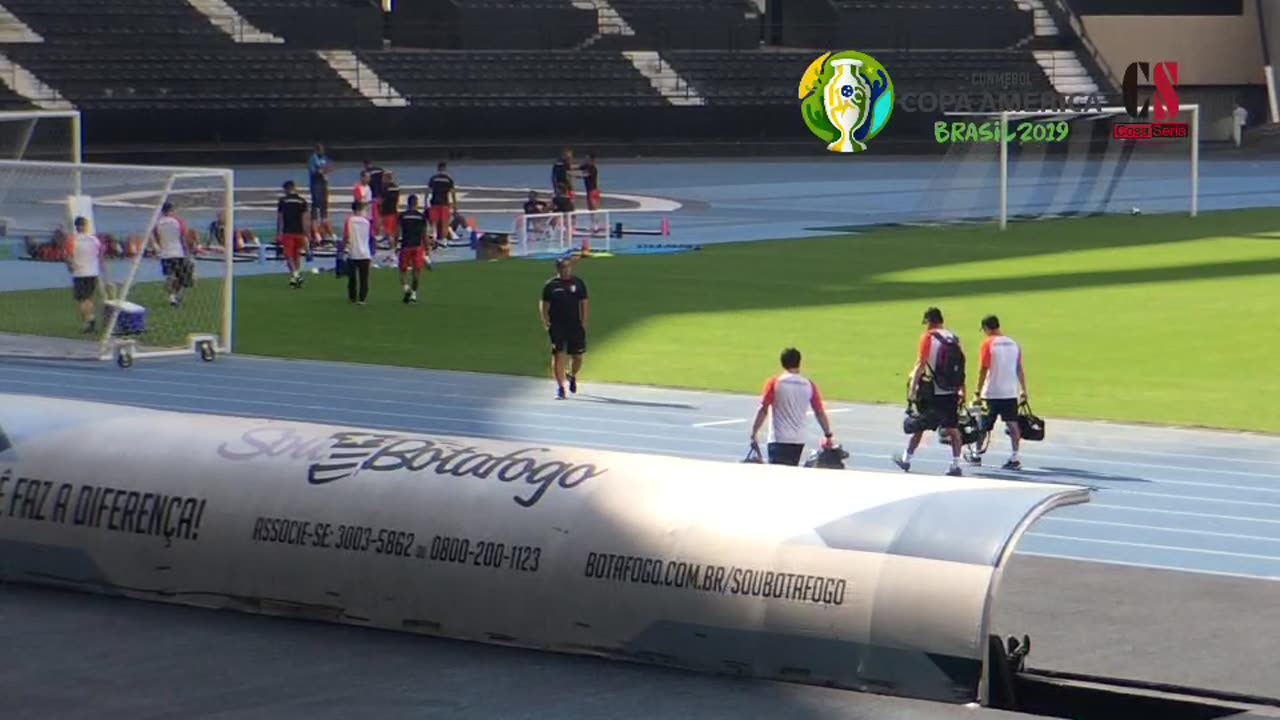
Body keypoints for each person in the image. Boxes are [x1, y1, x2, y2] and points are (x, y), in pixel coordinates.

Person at [894, 306, 967, 477]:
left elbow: (921, 364)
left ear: (929, 322)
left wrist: (912, 390)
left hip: (933, 390)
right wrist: (962, 390)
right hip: (951, 390)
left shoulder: (928, 337)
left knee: (920, 424)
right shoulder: (954, 338)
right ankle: (956, 464)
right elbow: (960, 367)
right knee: (953, 429)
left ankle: (907, 458)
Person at [749, 348, 836, 466]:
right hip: (798, 439)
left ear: (782, 363)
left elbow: (763, 409)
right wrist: (828, 435)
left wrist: (754, 432)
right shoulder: (808, 384)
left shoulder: (775, 383)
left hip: (778, 438)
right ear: (799, 362)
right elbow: (819, 412)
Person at [974, 315, 1027, 470]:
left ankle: (976, 454)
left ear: (986, 328)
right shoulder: (1014, 343)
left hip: (990, 392)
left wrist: (977, 390)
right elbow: (1019, 368)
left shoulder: (988, 343)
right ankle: (1015, 456)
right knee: (1012, 423)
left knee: (983, 425)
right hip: (1010, 391)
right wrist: (1023, 389)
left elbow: (983, 369)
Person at [539, 255, 588, 400]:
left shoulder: (578, 283)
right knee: (558, 354)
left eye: (568, 267)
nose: (566, 270)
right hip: (557, 325)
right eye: (563, 267)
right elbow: (544, 304)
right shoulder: (551, 285)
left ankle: (572, 375)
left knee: (577, 356)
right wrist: (546, 321)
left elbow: (584, 302)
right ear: (558, 269)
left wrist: (584, 321)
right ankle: (560, 386)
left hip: (575, 324)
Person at [63, 216, 108, 334]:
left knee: (82, 300)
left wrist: (70, 267)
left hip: (80, 273)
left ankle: (89, 322)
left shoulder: (72, 241)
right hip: (92, 272)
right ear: (85, 226)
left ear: (76, 227)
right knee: (88, 298)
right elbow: (101, 255)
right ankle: (90, 319)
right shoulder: (94, 240)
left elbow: (68, 257)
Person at [151, 201, 193, 307]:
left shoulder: (157, 223)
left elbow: (154, 238)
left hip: (165, 254)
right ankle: (177, 296)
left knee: (170, 276)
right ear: (172, 210)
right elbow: (184, 237)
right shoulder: (178, 221)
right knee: (182, 277)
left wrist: (157, 249)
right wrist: (188, 252)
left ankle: (172, 297)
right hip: (178, 252)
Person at [276, 180, 311, 288]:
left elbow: (280, 218)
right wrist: (306, 232)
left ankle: (295, 275)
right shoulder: (302, 201)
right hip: (299, 232)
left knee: (288, 255)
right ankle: (295, 277)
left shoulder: (283, 201)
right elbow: (305, 218)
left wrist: (279, 232)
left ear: (286, 189)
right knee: (297, 255)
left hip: (288, 231)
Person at [397, 194, 429, 304]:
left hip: (406, 245)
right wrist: (427, 248)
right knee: (416, 271)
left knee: (402, 270)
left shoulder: (402, 216)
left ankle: (406, 288)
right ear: (416, 203)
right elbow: (424, 234)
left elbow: (398, 231)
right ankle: (414, 295)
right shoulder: (421, 217)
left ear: (408, 203)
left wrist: (396, 244)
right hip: (417, 246)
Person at [343, 200, 373, 305]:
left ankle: (352, 297)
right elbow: (370, 237)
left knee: (352, 278)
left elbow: (346, 236)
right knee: (364, 278)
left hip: (353, 252)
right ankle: (362, 298)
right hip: (365, 253)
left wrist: (343, 248)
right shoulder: (367, 221)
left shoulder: (349, 220)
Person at [427, 162, 456, 245]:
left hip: (434, 203)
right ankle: (443, 240)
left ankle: (434, 237)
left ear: (438, 168)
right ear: (445, 168)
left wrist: (426, 203)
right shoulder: (449, 179)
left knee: (434, 222)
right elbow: (453, 193)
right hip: (444, 203)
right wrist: (454, 205)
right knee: (444, 222)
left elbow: (428, 191)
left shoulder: (433, 178)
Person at [307, 144, 330, 224]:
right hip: (316, 183)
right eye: (320, 150)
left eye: (323, 150)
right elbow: (312, 170)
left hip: (323, 182)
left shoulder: (325, 158)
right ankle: (314, 220)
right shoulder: (312, 159)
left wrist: (324, 170)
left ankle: (324, 219)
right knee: (316, 201)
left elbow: (328, 167)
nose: (322, 151)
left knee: (324, 201)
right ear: (316, 150)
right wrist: (319, 171)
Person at [379, 170, 400, 243]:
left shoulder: (384, 187)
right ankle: (394, 244)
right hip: (394, 210)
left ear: (386, 177)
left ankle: (391, 246)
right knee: (393, 230)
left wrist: (379, 210)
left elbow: (381, 199)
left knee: (388, 230)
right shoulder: (396, 187)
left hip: (386, 211)